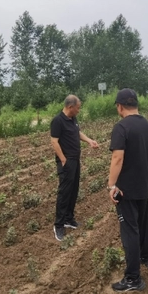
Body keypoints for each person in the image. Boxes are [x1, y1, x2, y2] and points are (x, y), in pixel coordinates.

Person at [107, 88, 148, 292]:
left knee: (130, 229)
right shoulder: (147, 125)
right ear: (135, 104)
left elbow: (117, 158)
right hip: (143, 184)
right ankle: (145, 257)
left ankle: (133, 279)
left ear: (120, 106)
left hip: (125, 189)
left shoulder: (121, 127)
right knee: (143, 224)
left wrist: (112, 185)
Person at [51, 95, 99, 241]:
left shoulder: (72, 119)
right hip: (66, 161)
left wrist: (89, 140)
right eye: (78, 108)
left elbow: (77, 132)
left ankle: (69, 219)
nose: (79, 110)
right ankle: (59, 225)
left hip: (75, 160)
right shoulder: (57, 121)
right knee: (64, 192)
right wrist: (63, 159)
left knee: (73, 190)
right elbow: (54, 141)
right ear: (70, 107)